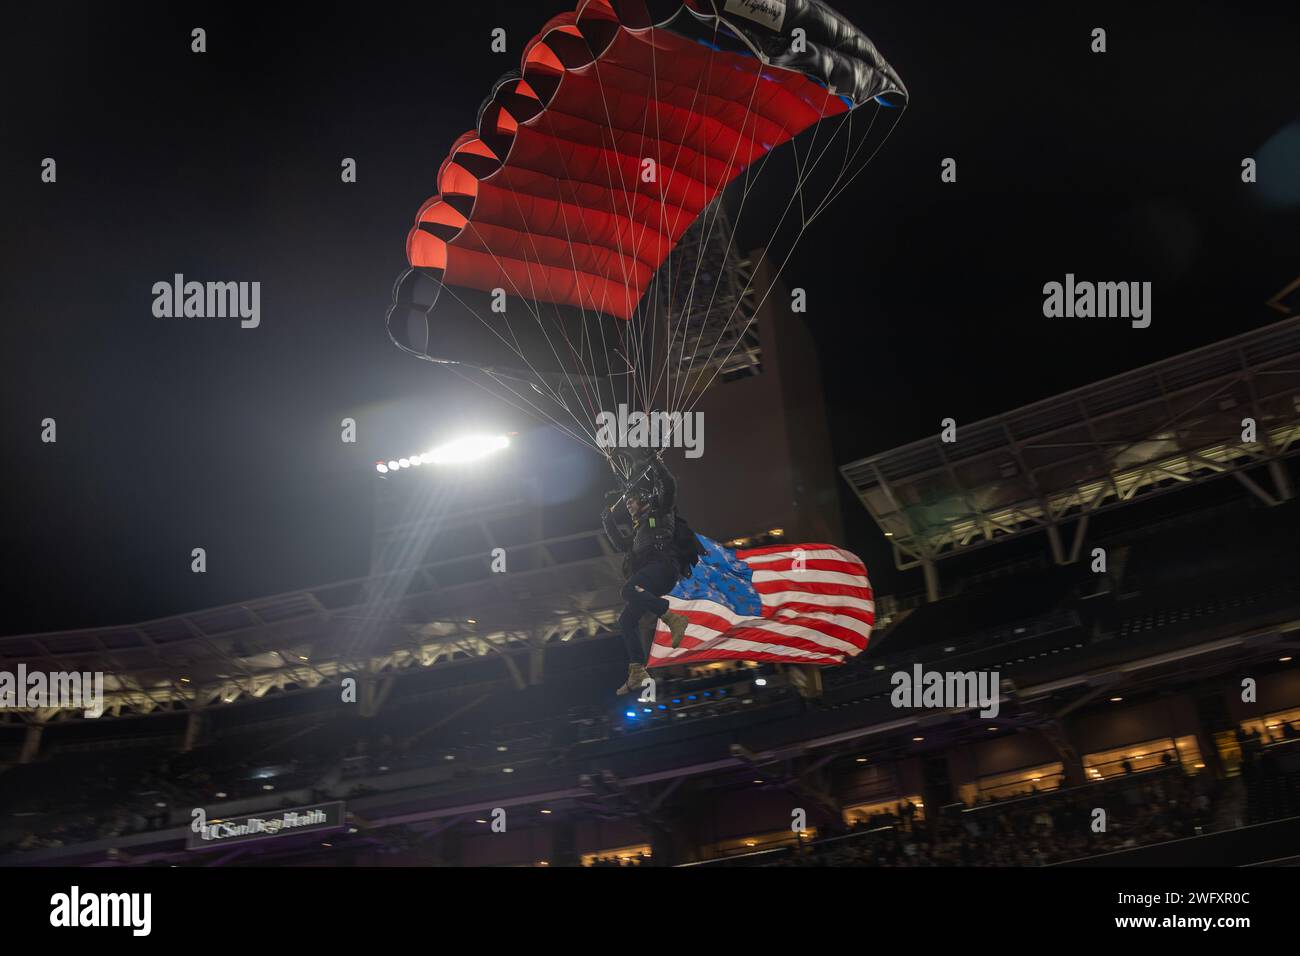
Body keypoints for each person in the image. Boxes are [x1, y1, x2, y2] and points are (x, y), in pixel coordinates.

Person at [602, 451, 702, 694]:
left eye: (631, 501)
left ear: (644, 500)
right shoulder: (638, 533)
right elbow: (620, 545)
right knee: (625, 620)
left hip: (664, 567)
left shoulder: (660, 511)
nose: (628, 504)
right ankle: (637, 669)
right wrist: (608, 522)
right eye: (627, 502)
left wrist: (656, 462)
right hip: (652, 573)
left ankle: (672, 617)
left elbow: (668, 485)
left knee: (627, 590)